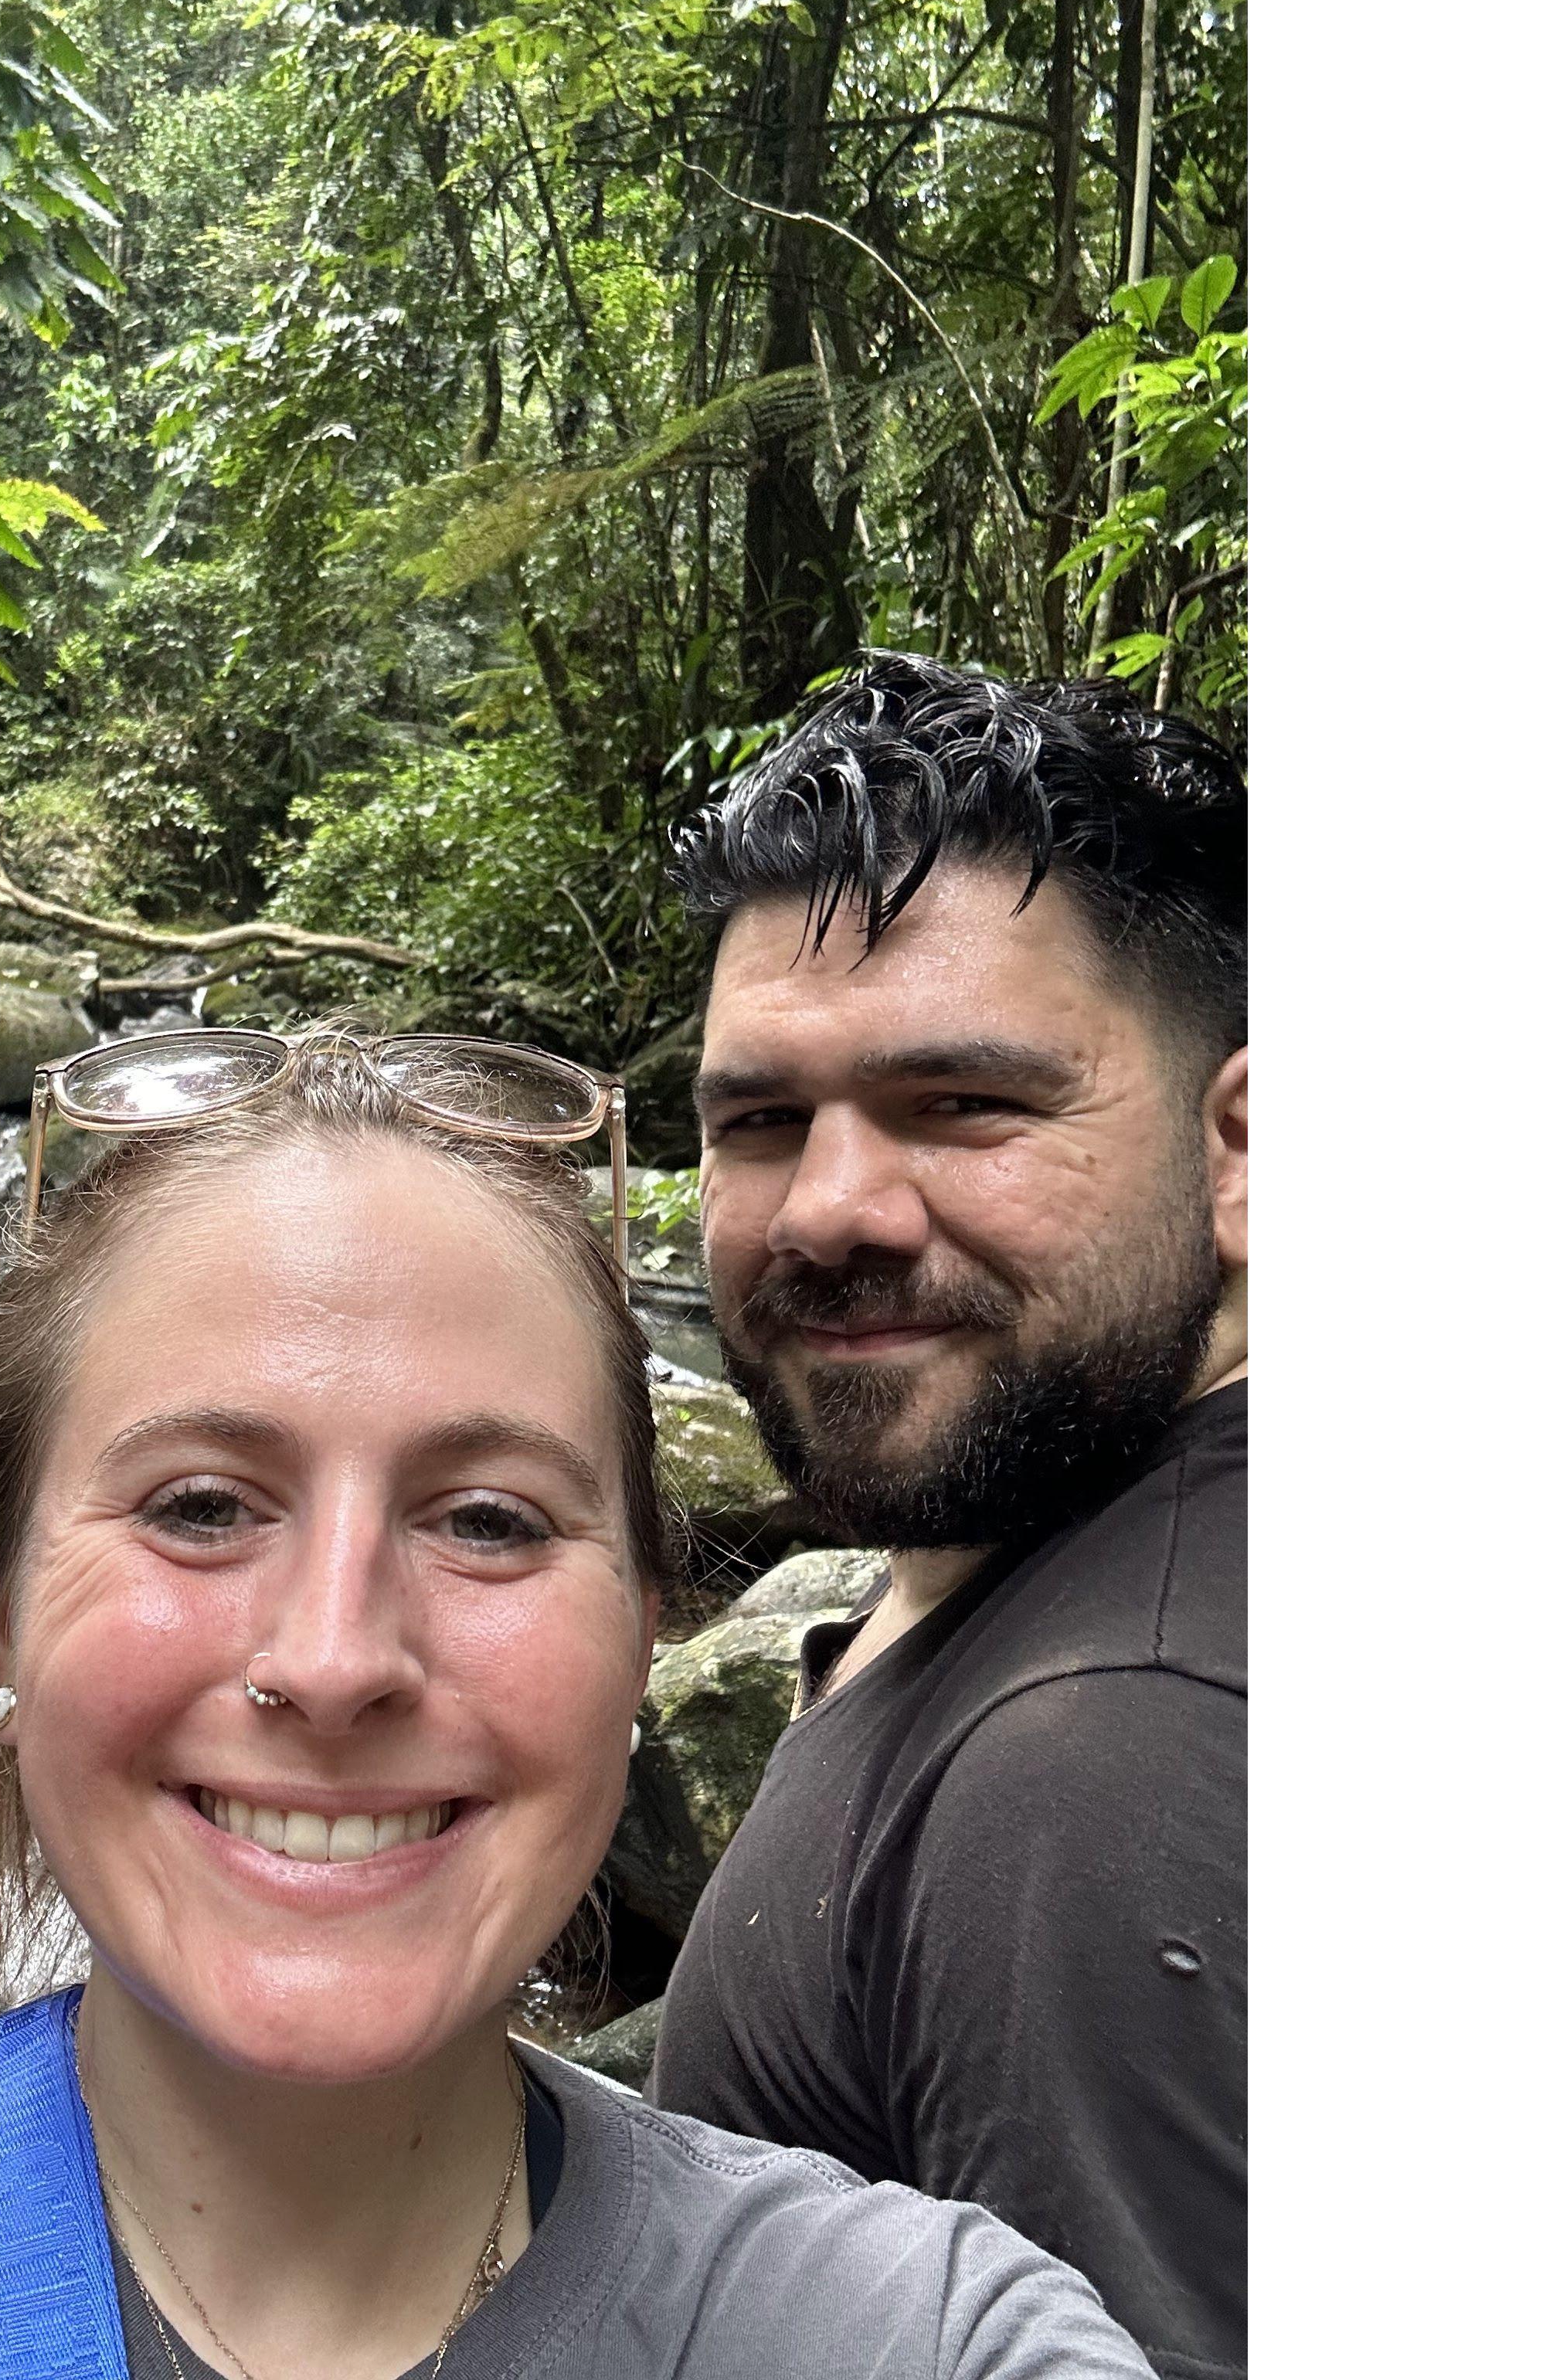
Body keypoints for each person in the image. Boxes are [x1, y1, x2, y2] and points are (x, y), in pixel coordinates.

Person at [0, 1029, 1156, 2380]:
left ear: (642, 1632)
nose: (336, 1657)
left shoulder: (911, 2332)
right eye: (201, 1503)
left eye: (486, 1519)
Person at [647, 654, 1245, 2380]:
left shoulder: (1106, 1759)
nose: (826, 1210)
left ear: (1237, 1151)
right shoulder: (1052, 1540)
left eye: (962, 1104)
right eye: (762, 1119)